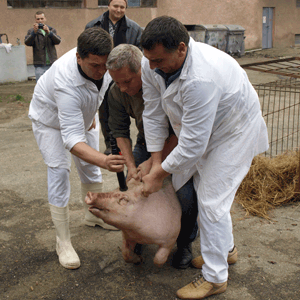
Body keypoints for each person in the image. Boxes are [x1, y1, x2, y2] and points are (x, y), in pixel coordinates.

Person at [140, 16, 269, 299]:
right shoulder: (150, 62)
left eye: (158, 60)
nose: (151, 66)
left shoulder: (202, 78)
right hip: (202, 130)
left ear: (182, 49)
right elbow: (151, 111)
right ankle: (226, 251)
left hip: (233, 131)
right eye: (148, 59)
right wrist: (155, 158)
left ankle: (215, 277)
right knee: (208, 193)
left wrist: (158, 174)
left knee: (211, 200)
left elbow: (193, 145)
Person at [28, 27, 126, 270]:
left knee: (90, 170)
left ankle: (93, 215)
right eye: (95, 65)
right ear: (78, 58)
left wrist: (90, 111)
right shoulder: (66, 81)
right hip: (50, 122)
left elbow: (101, 89)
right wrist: (104, 160)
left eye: (105, 64)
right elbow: (71, 141)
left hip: (80, 114)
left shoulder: (102, 64)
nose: (102, 71)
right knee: (60, 171)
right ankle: (63, 241)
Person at [105, 43, 198, 269]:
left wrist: (154, 164)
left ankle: (185, 242)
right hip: (146, 142)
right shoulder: (117, 91)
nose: (123, 88)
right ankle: (136, 236)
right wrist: (131, 165)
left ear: (142, 70)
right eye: (117, 82)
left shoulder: (160, 83)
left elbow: (182, 131)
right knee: (133, 187)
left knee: (184, 193)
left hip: (178, 143)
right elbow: (119, 131)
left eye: (127, 81)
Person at [85, 0, 143, 156]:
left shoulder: (135, 28)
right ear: (109, 6)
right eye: (115, 6)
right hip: (103, 72)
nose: (118, 9)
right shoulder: (93, 25)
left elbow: (139, 52)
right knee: (105, 109)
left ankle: (134, 143)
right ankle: (111, 143)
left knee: (129, 109)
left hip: (125, 73)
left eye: (122, 7)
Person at [25, 11, 61, 82]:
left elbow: (58, 41)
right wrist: (33, 33)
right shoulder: (31, 31)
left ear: (45, 19)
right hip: (39, 64)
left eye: (42, 18)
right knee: (40, 85)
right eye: (38, 19)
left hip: (51, 63)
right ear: (35, 20)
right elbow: (27, 42)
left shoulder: (51, 30)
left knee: (52, 84)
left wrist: (49, 33)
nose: (40, 21)